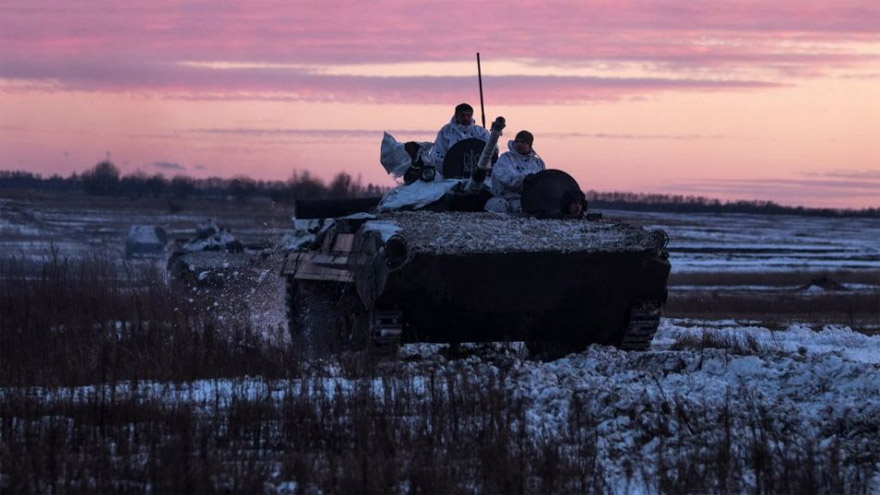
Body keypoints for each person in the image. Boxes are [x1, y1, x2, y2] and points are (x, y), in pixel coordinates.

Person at [486, 130, 545, 212]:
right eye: (517, 141)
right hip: (505, 197)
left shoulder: (538, 163)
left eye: (523, 142)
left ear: (530, 145)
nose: (519, 144)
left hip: (527, 199)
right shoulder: (506, 158)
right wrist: (523, 179)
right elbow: (503, 177)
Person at [429, 103, 491, 167]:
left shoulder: (481, 132)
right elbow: (438, 153)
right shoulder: (446, 132)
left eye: (468, 115)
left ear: (472, 116)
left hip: (477, 171)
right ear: (456, 116)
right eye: (462, 115)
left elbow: (491, 149)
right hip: (451, 171)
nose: (466, 118)